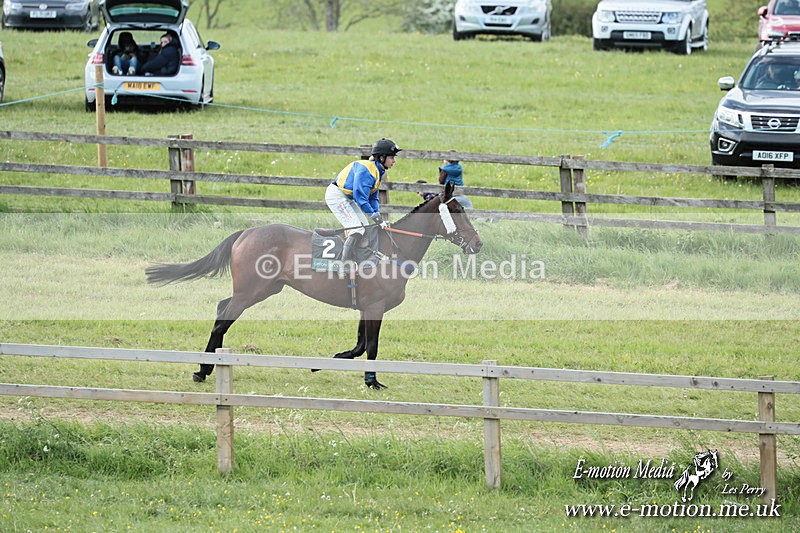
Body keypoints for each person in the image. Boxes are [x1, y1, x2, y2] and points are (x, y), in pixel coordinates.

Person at [325, 138, 401, 271]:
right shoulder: (367, 171)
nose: (394, 160)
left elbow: (373, 198)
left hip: (346, 198)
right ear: (382, 157)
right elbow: (361, 199)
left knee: (365, 226)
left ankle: (358, 259)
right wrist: (376, 217)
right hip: (336, 196)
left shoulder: (377, 171)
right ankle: (344, 265)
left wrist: (377, 215)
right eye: (391, 157)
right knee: (357, 229)